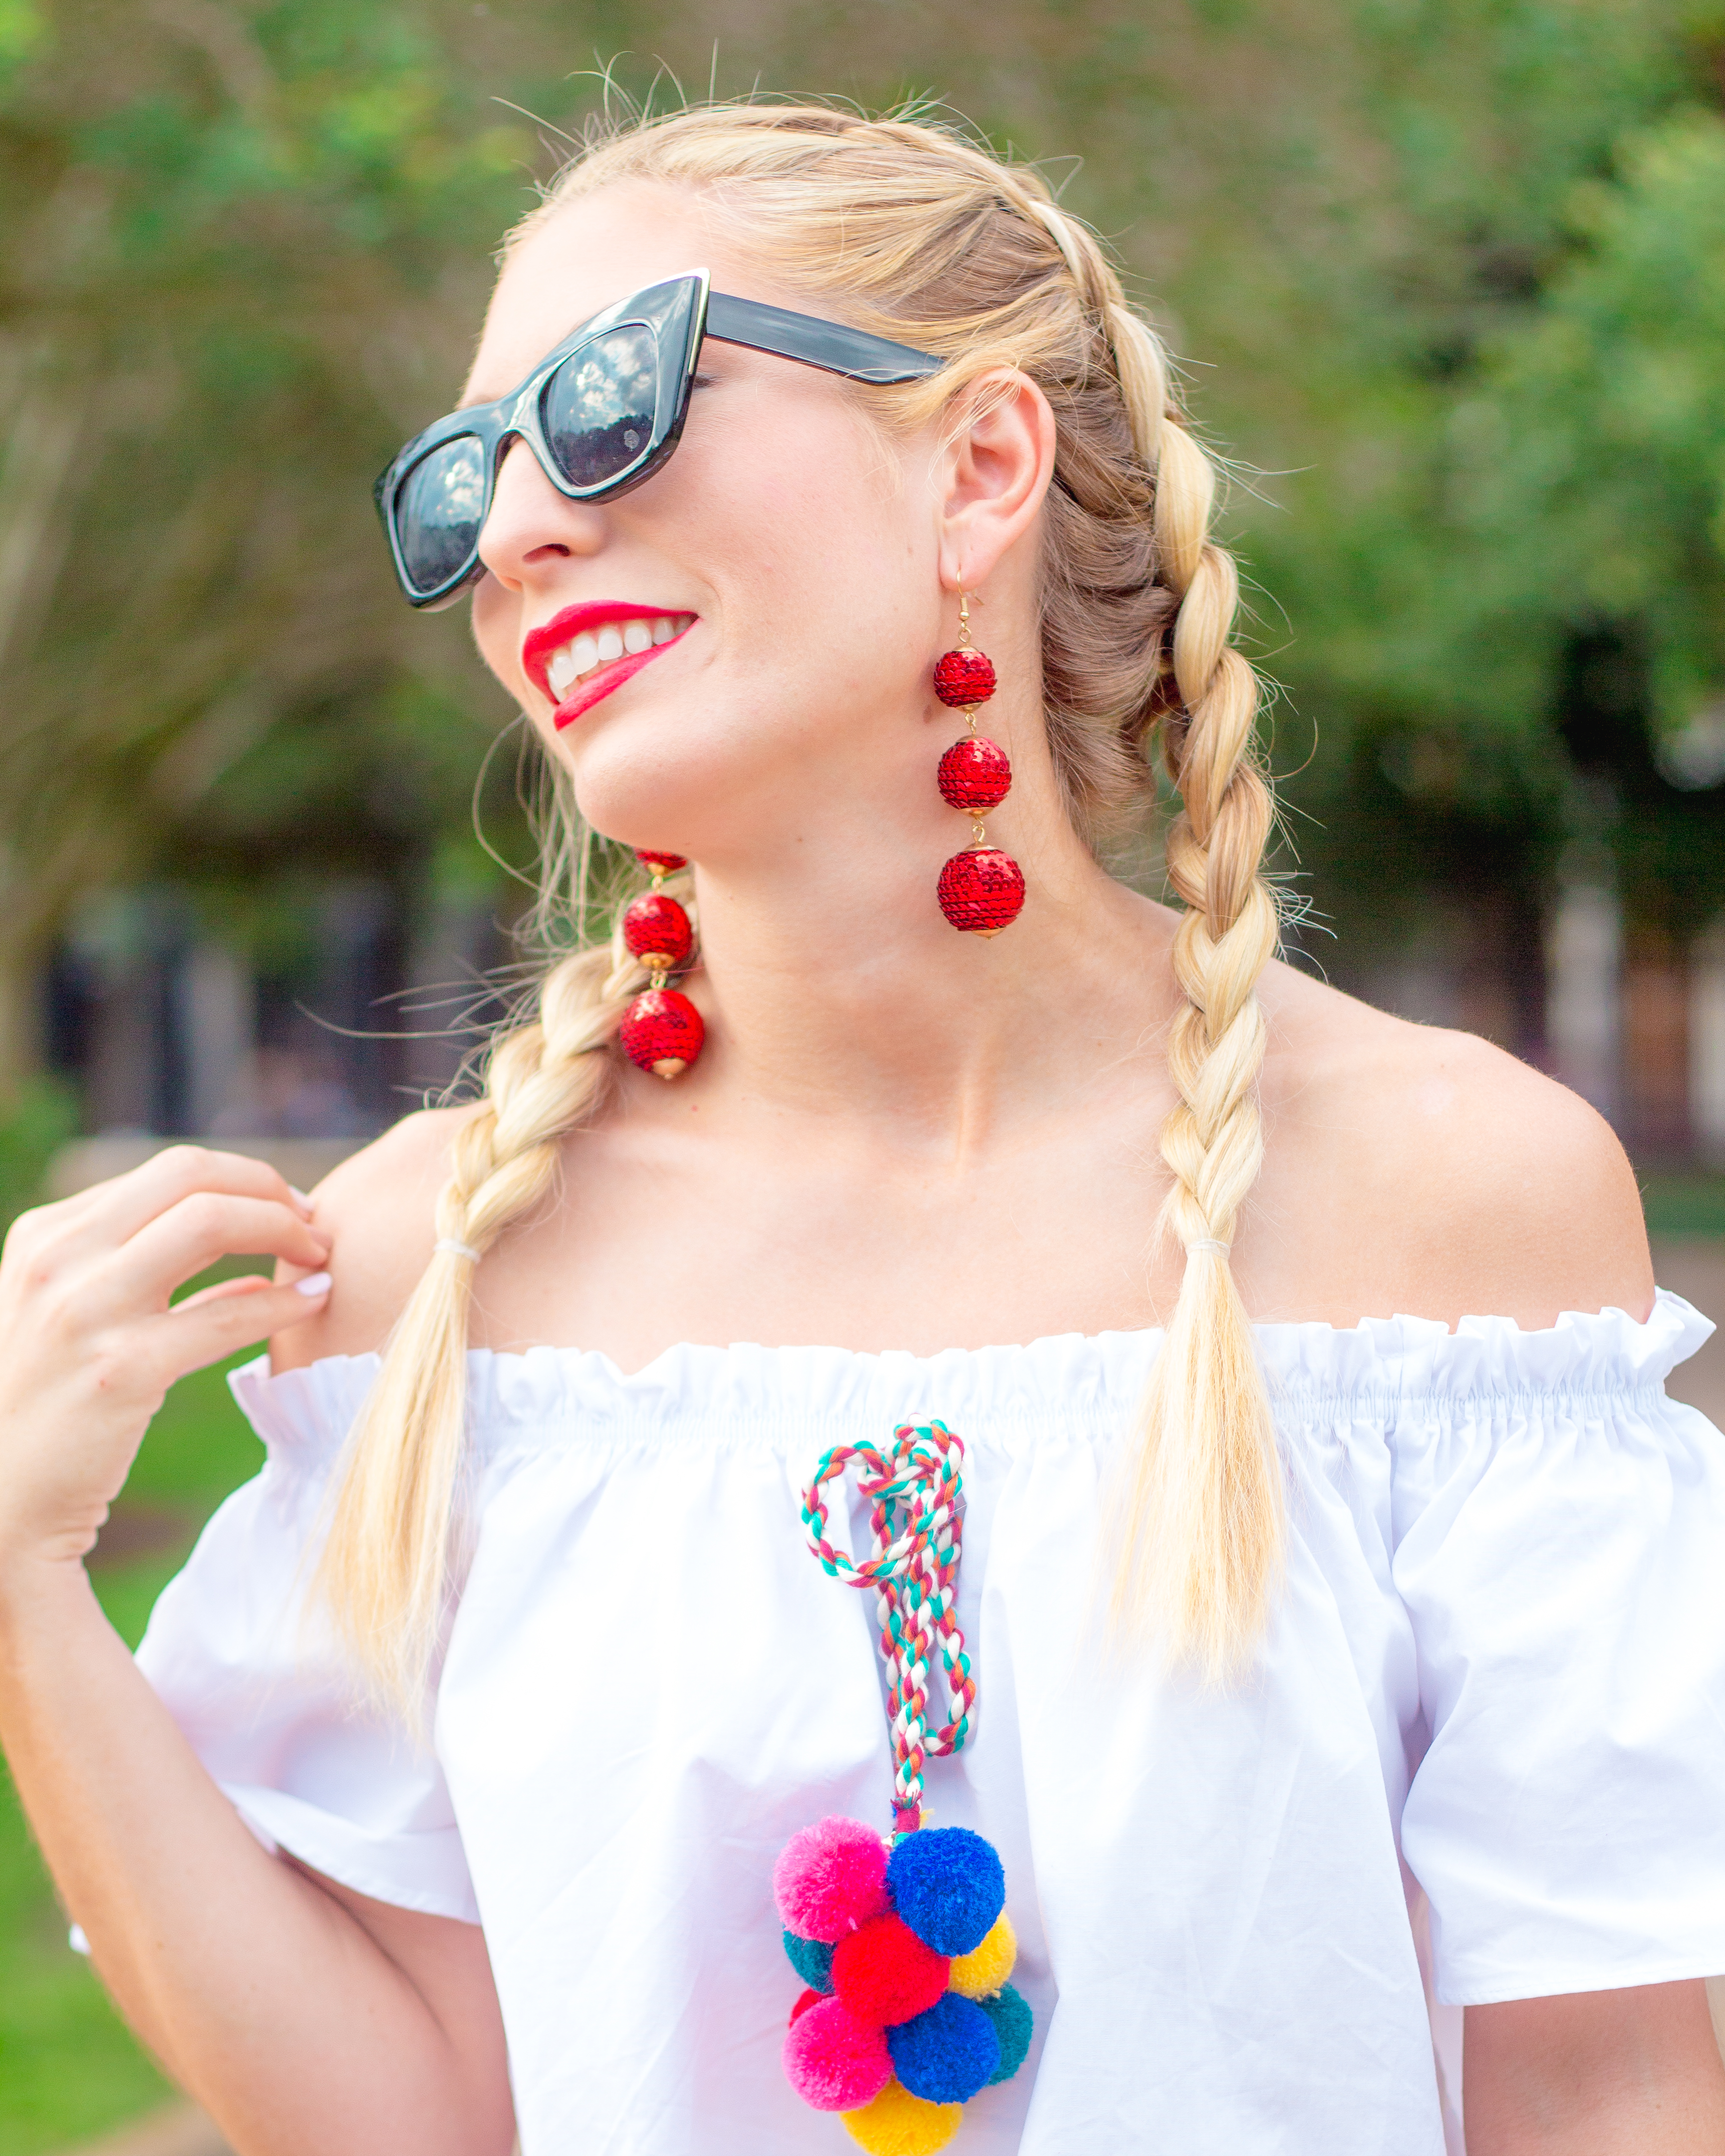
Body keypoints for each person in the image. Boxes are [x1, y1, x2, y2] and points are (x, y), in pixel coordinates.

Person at [1, 102, 1722, 2156]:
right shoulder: (419, 1277)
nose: (522, 528)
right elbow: (416, 2113)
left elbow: (1609, 2085)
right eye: (464, 480)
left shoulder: (1450, 1217)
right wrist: (19, 1578)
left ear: (981, 466)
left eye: (617, 401)